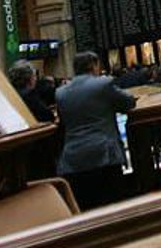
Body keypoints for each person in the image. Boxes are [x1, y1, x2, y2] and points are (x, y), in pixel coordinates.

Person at [55, 51, 136, 210]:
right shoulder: (103, 84)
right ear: (93, 65)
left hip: (74, 159)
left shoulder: (60, 93)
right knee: (113, 206)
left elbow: (63, 122)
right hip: (104, 155)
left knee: (87, 209)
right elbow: (128, 102)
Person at [8, 59, 55, 123]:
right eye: (34, 76)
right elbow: (49, 117)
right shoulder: (31, 98)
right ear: (31, 79)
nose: (36, 79)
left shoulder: (9, 96)